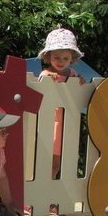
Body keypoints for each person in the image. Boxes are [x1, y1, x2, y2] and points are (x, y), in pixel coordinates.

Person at [38, 28, 86, 181]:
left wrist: (80, 80)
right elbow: (41, 85)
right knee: (46, 158)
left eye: (65, 58)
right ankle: (44, 186)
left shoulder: (71, 74)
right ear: (48, 56)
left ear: (72, 58)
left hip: (66, 121)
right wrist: (47, 79)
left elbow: (77, 86)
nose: (61, 61)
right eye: (56, 57)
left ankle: (52, 188)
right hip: (50, 121)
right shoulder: (46, 74)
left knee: (59, 161)